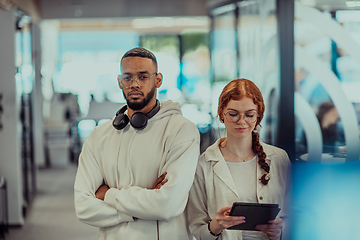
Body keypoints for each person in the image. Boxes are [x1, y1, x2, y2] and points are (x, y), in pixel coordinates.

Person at [74, 47, 200, 240]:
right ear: (119, 81)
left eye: (143, 77)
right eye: (127, 77)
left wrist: (108, 195)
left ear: (158, 80)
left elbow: (167, 205)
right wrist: (140, 208)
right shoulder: (100, 135)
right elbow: (83, 207)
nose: (134, 84)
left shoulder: (181, 130)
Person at [187, 78, 291, 240]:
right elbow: (196, 230)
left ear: (259, 116)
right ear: (221, 113)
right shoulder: (204, 163)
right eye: (233, 114)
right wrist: (216, 225)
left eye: (249, 115)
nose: (241, 121)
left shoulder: (279, 158)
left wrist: (280, 231)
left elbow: (293, 216)